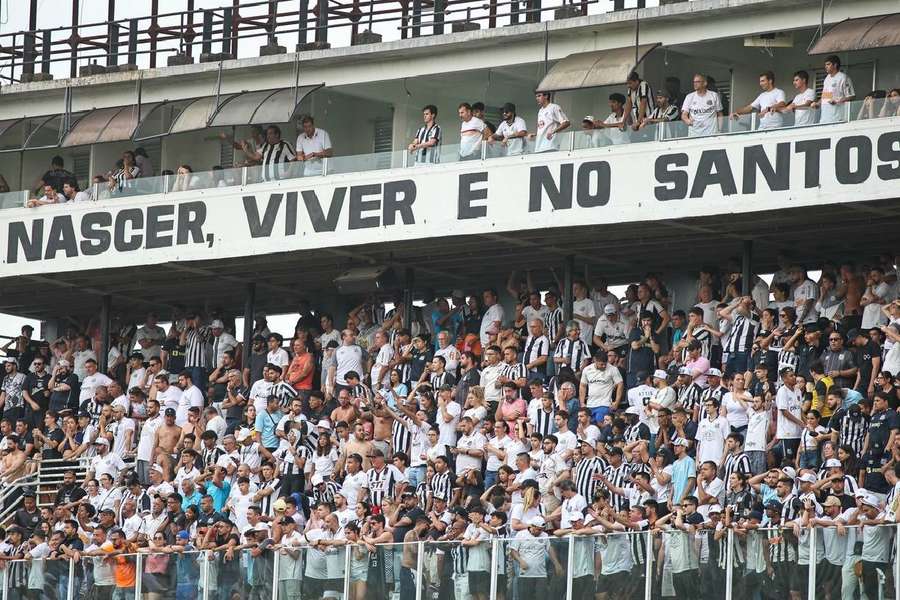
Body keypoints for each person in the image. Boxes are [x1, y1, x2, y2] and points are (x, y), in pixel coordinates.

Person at [814, 54, 855, 124]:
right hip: (825, 118)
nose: (826, 67)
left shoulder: (843, 77)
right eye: (825, 65)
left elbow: (851, 96)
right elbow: (826, 96)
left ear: (835, 65)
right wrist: (817, 103)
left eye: (828, 64)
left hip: (837, 117)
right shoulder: (827, 78)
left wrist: (837, 101)